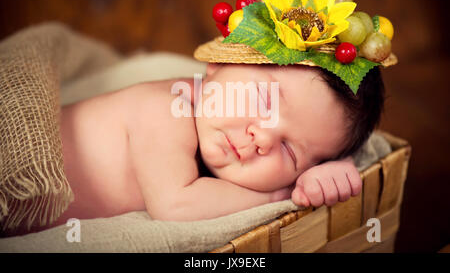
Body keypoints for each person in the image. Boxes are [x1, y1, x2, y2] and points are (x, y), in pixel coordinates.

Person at [49, 60, 384, 227]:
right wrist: (283, 194)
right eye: (262, 100)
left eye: (289, 150)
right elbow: (174, 205)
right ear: (218, 63)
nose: (263, 138)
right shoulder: (166, 107)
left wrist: (318, 179)